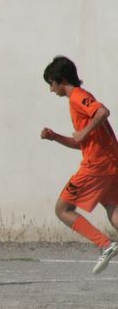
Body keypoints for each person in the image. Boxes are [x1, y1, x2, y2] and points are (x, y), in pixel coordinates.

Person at [41, 56, 118, 272]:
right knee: (113, 208)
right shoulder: (78, 100)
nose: (51, 89)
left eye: (51, 83)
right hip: (109, 163)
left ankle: (105, 244)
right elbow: (83, 143)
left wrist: (84, 131)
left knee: (62, 209)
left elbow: (103, 112)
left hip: (96, 166)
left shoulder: (78, 96)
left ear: (61, 79)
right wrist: (55, 137)